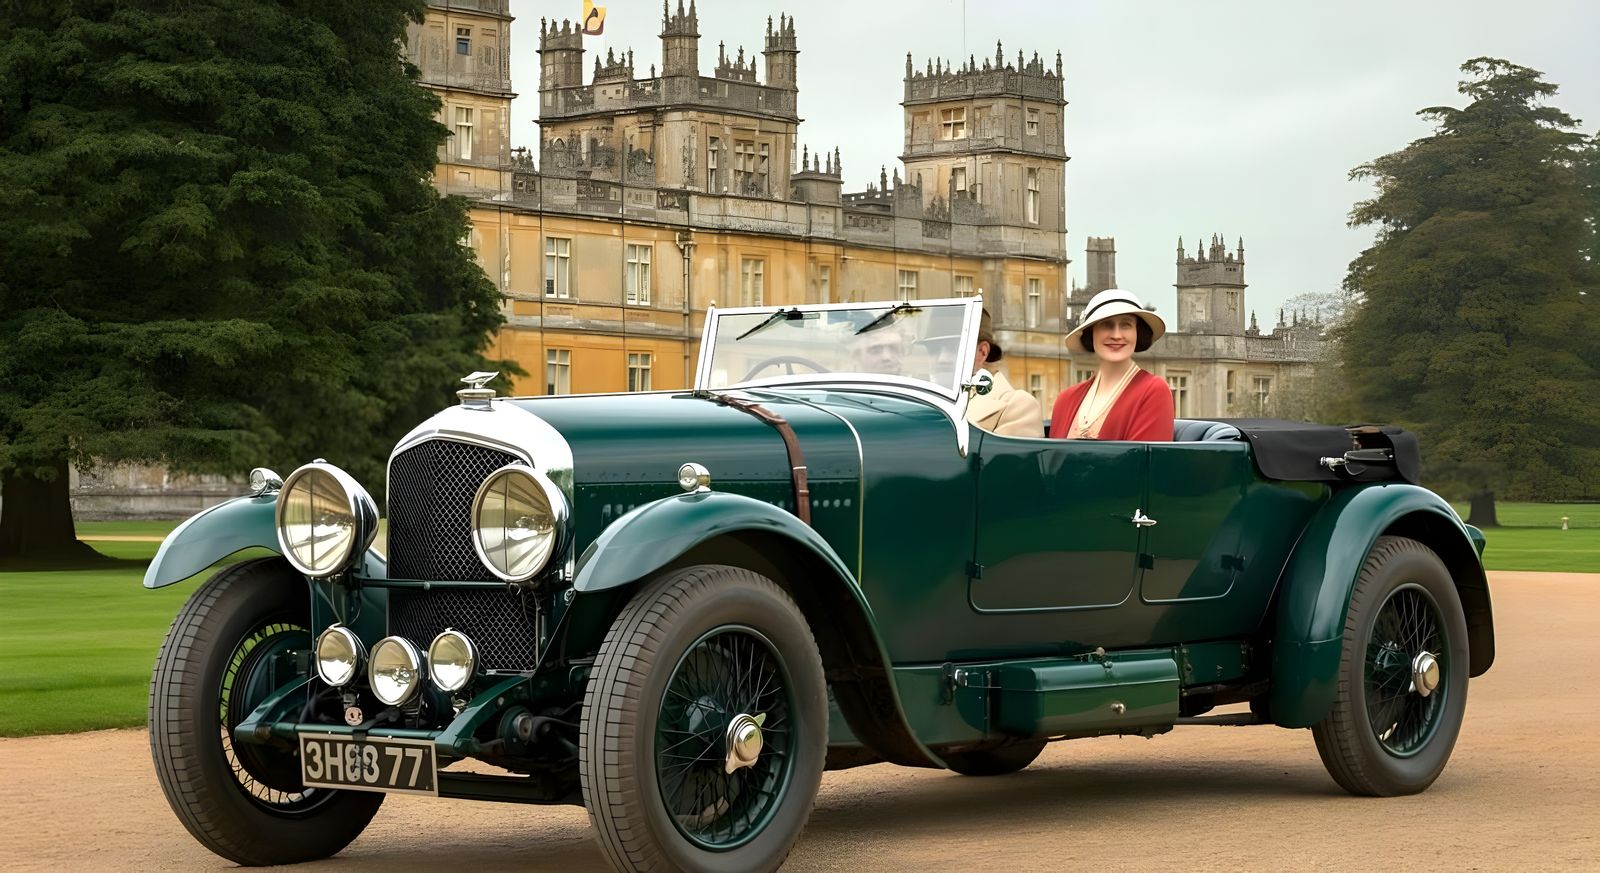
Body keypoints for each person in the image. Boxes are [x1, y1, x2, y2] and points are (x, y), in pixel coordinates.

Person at [1049, 289, 1174, 441]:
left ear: (1138, 333)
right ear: (1091, 333)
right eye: (1106, 325)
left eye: (1126, 325)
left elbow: (1143, 462)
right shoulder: (1065, 400)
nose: (1116, 335)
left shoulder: (1153, 391)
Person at [965, 309, 1042, 437]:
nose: (941, 359)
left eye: (952, 348)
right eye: (934, 349)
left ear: (982, 352)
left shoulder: (1019, 406)